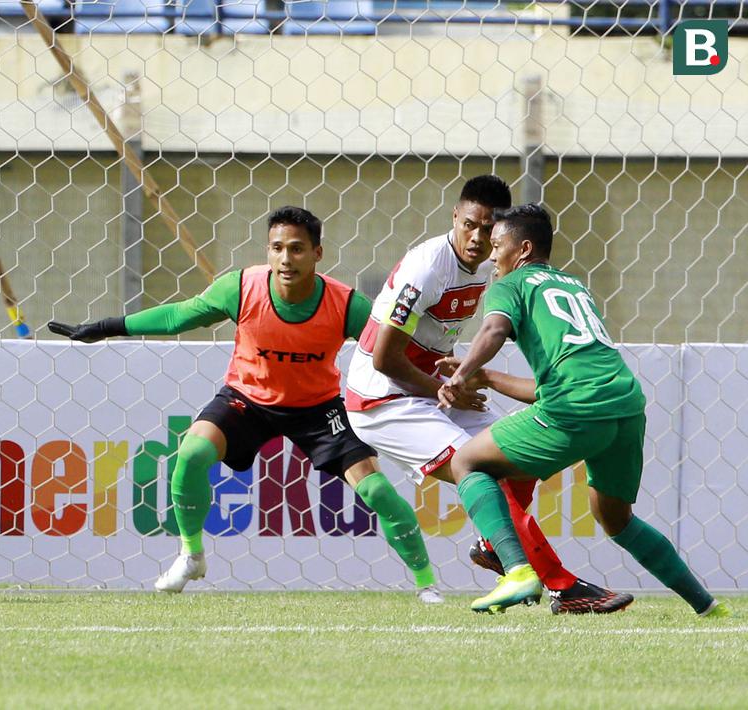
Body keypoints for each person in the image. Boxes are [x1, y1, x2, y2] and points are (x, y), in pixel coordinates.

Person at [49, 206, 443, 601]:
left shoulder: (345, 304)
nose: (286, 259)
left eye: (297, 249)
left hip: (318, 409)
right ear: (267, 251)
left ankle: (426, 585)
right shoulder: (240, 288)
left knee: (377, 492)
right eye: (277, 248)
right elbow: (176, 318)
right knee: (190, 454)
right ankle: (191, 554)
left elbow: (397, 351)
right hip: (246, 401)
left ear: (318, 254)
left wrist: (441, 384)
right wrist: (104, 328)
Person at [346, 176, 631, 614]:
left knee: (520, 455)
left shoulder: (489, 266)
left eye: (487, 230)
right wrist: (448, 388)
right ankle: (560, 584)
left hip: (431, 389)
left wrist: (452, 376)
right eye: (469, 226)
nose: (477, 239)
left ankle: (493, 545)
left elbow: (437, 335)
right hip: (382, 399)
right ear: (455, 217)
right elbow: (384, 358)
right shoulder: (428, 266)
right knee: (475, 468)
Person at [440, 203, 726, 616]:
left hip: (576, 406)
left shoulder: (512, 283)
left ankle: (517, 569)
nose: (490, 255)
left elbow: (494, 329)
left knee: (468, 462)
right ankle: (708, 606)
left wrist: (461, 373)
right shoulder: (573, 286)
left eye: (497, 246)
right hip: (625, 404)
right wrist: (487, 378)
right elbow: (555, 383)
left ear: (522, 249)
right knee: (615, 517)